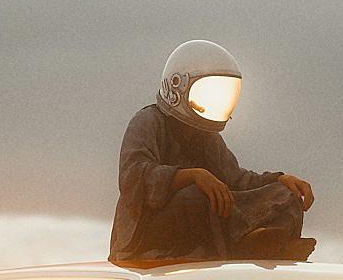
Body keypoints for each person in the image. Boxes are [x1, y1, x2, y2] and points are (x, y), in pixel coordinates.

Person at [109, 39, 315, 265]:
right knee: (197, 195)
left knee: (285, 196)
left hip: (209, 220)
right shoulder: (147, 121)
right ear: (178, 84)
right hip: (145, 236)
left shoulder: (208, 138)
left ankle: (257, 243)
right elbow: (133, 179)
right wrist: (193, 176)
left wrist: (280, 180)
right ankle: (243, 241)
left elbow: (236, 180)